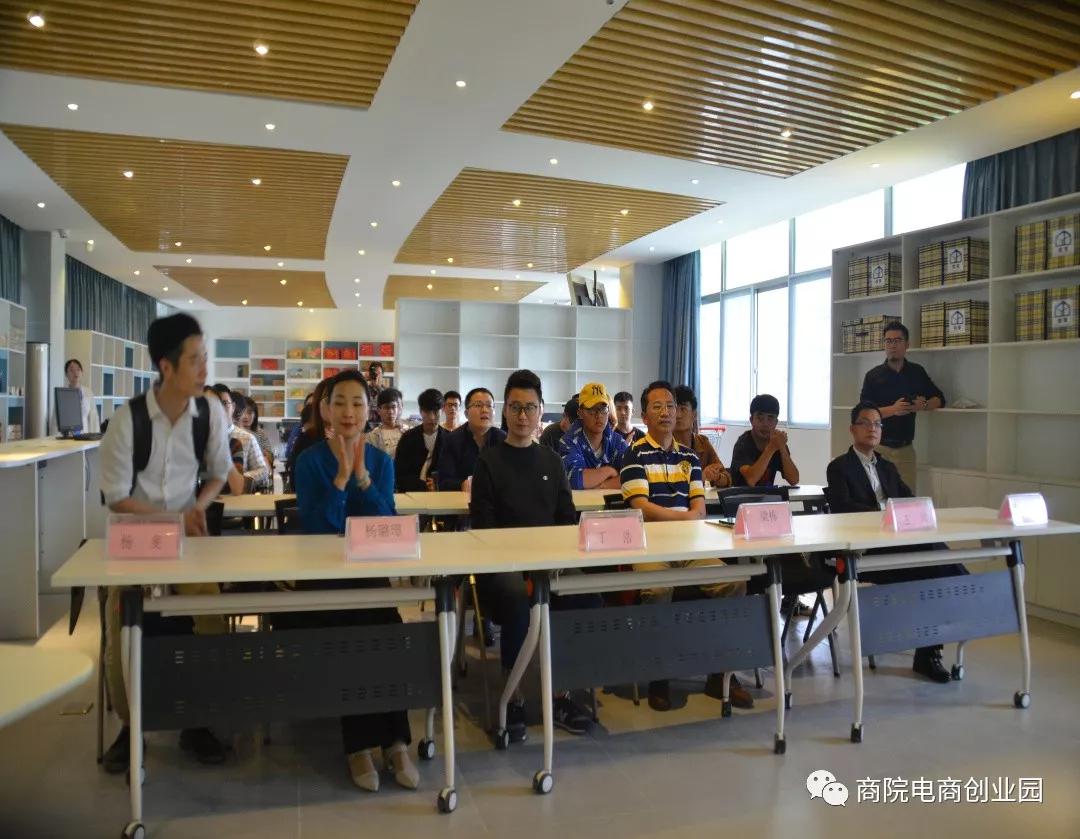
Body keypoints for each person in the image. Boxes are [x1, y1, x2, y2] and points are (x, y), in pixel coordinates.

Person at [98, 313, 232, 772]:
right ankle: (130, 727)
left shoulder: (209, 413)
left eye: (205, 357)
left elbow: (219, 473)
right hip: (134, 541)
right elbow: (116, 496)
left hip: (187, 539)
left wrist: (198, 507)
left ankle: (197, 721)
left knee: (209, 620)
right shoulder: (128, 420)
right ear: (166, 366)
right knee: (124, 629)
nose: (204, 369)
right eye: (195, 360)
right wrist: (173, 518)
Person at [278, 369, 419, 791]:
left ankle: (396, 742)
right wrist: (341, 476)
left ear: (368, 410)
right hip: (323, 578)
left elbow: (387, 523)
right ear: (324, 409)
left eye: (357, 402)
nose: (348, 411)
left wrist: (362, 477)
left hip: (367, 574)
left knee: (389, 632)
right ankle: (358, 747)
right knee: (355, 633)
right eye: (339, 402)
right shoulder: (309, 461)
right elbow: (319, 526)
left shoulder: (380, 461)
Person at [470, 369, 597, 738]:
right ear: (505, 411)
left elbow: (566, 520)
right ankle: (513, 696)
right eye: (515, 407)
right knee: (514, 597)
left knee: (585, 593)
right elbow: (483, 528)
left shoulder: (551, 462)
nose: (522, 415)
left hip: (549, 564)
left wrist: (550, 562)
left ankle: (561, 692)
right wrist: (521, 563)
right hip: (502, 567)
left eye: (529, 407)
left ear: (541, 411)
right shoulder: (489, 462)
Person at [621, 380, 753, 712]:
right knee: (656, 589)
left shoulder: (690, 457)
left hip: (691, 548)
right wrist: (684, 519)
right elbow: (641, 508)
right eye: (657, 407)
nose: (667, 412)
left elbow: (700, 508)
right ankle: (659, 675)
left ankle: (720, 674)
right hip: (651, 547)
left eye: (671, 406)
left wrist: (688, 519)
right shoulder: (634, 453)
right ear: (644, 416)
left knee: (734, 582)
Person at [826, 402, 968, 683]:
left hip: (898, 546)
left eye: (878, 424)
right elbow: (844, 511)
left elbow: (909, 503)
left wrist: (900, 514)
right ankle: (965, 590)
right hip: (865, 553)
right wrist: (886, 514)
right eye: (866, 423)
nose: (872, 429)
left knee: (932, 569)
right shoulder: (839, 467)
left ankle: (929, 651)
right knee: (935, 564)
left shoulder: (888, 467)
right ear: (852, 429)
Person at [859, 320, 944, 491]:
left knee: (907, 500)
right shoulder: (873, 376)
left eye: (897, 340)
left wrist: (923, 405)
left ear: (907, 345)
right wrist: (894, 410)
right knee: (876, 500)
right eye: (888, 341)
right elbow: (864, 414)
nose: (892, 345)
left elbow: (940, 399)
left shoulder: (916, 372)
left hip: (905, 450)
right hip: (878, 449)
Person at [558, 382, 627, 490]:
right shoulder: (568, 441)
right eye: (591, 409)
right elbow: (573, 479)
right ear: (580, 413)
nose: (599, 415)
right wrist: (608, 471)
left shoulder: (617, 441)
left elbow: (634, 475)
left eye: (603, 409)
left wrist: (602, 485)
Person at [437, 387, 505, 492]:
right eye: (478, 405)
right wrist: (462, 484)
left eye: (489, 405)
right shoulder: (452, 440)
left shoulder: (503, 439)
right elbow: (444, 482)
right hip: (462, 499)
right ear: (466, 413)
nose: (485, 410)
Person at [209, 384, 269, 494]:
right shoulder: (201, 436)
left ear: (233, 407)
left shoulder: (247, 438)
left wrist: (239, 477)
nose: (220, 409)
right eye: (215, 404)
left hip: (238, 499)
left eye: (225, 403)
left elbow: (263, 471)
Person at [729, 394, 799, 487]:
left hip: (766, 496)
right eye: (760, 418)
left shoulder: (777, 442)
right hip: (740, 496)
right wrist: (771, 448)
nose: (765, 424)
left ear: (776, 423)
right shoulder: (743, 443)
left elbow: (794, 480)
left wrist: (782, 447)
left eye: (770, 418)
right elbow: (751, 480)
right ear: (751, 420)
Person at [673, 385, 731, 488]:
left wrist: (717, 477)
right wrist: (700, 477)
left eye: (683, 409)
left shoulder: (702, 442)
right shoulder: (663, 444)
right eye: (674, 408)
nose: (678, 415)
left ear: (694, 415)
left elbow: (727, 479)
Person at [395, 388, 448, 492]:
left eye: (435, 412)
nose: (432, 417)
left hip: (440, 494)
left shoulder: (449, 439)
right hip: (411, 493)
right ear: (420, 411)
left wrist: (438, 483)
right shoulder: (408, 438)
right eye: (427, 412)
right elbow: (400, 474)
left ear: (442, 410)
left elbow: (452, 473)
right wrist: (423, 486)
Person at [53, 357, 100, 435]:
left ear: (82, 372)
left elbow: (94, 419)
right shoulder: (62, 394)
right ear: (66, 374)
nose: (75, 372)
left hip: (85, 437)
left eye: (78, 369)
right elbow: (55, 421)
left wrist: (95, 438)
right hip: (67, 437)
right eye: (71, 370)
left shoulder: (88, 393)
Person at [236, 393, 274, 472]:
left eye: (249, 413)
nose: (245, 416)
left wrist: (261, 454)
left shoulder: (260, 433)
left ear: (255, 415)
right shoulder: (235, 432)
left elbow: (270, 456)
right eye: (243, 412)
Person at [368, 387, 406, 459]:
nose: (390, 412)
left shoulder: (406, 431)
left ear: (398, 409)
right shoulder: (372, 437)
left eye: (393, 407)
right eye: (386, 407)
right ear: (378, 410)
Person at [365, 361, 385, 432]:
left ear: (382, 375)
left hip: (382, 426)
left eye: (379, 373)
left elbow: (387, 402)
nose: (376, 376)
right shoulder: (364, 390)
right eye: (374, 373)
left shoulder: (386, 391)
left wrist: (378, 388)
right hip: (367, 426)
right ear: (370, 374)